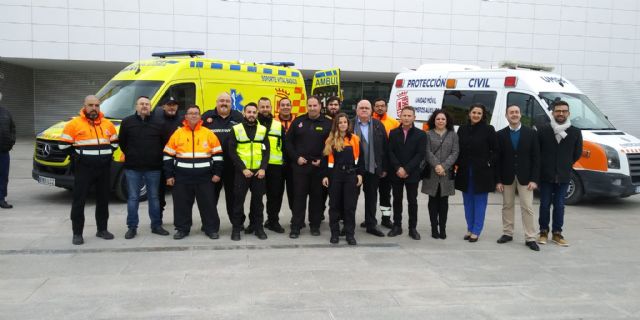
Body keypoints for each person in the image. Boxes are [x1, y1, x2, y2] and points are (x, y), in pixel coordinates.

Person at [59, 95, 119, 245]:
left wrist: (104, 157)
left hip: (104, 169)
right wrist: (78, 158)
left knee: (103, 200)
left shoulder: (108, 124)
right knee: (79, 201)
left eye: (97, 105)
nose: (94, 108)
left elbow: (115, 144)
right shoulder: (74, 124)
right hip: (83, 169)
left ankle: (102, 230)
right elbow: (63, 146)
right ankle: (77, 233)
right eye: (91, 105)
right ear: (84, 106)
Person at [164, 104, 223, 240]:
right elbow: (168, 155)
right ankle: (182, 229)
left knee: (208, 204)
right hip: (182, 177)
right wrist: (169, 175)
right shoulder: (177, 133)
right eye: (191, 113)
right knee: (181, 205)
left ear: (200, 116)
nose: (193, 115)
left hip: (205, 177)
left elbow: (218, 155)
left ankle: (211, 229)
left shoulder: (208, 133)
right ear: (185, 116)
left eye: (196, 113)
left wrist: (217, 173)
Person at [118, 96, 169, 239]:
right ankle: (132, 227)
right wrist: (131, 154)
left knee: (154, 197)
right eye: (142, 104)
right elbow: (122, 142)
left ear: (150, 107)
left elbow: (164, 143)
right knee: (133, 198)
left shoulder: (159, 123)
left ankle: (156, 225)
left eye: (147, 104)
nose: (144, 106)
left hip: (154, 168)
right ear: (136, 106)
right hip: (133, 168)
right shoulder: (127, 122)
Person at [537, 100, 582, 247]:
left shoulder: (575, 132)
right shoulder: (543, 130)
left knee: (560, 205)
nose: (561, 113)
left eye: (564, 111)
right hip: (546, 175)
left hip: (563, 175)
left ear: (568, 113)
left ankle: (557, 233)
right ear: (553, 113)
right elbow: (537, 152)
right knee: (544, 205)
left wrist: (564, 165)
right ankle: (543, 232)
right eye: (558, 111)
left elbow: (576, 153)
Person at [495, 104, 541, 251]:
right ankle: (507, 233)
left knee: (527, 207)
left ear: (520, 115)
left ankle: (530, 238)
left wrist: (534, 179)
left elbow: (536, 158)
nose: (514, 115)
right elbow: (498, 159)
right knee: (507, 206)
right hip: (507, 177)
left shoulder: (531, 133)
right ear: (506, 116)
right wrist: (498, 180)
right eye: (511, 112)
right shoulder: (500, 134)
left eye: (516, 112)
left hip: (526, 178)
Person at [285, 95, 332, 238]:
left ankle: (315, 225)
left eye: (315, 105)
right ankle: (296, 226)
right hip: (300, 167)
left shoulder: (328, 123)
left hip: (318, 168)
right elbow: (288, 142)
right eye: (309, 106)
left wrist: (322, 160)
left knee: (316, 199)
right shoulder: (298, 121)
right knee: (298, 198)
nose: (312, 108)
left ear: (320, 107)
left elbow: (332, 145)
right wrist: (296, 158)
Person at [455, 103, 499, 243]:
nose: (476, 115)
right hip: (465, 171)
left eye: (479, 113)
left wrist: (488, 163)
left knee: (480, 202)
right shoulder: (462, 129)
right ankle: (469, 228)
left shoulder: (488, 129)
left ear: (482, 115)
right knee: (468, 202)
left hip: (482, 172)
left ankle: (476, 230)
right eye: (474, 112)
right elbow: (458, 149)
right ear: (469, 114)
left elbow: (496, 150)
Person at [228, 102, 270, 241]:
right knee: (238, 202)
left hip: (259, 173)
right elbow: (232, 152)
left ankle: (259, 228)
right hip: (242, 172)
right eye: (249, 112)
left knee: (258, 202)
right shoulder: (236, 129)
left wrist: (263, 168)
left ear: (257, 114)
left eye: (254, 112)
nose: (251, 115)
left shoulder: (263, 130)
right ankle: (236, 229)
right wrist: (243, 169)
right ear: (244, 113)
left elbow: (266, 151)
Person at [202, 92, 243, 226]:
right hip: (212, 167)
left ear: (231, 103)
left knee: (234, 197)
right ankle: (209, 224)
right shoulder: (207, 116)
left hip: (233, 166)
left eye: (227, 101)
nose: (224, 103)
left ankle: (237, 223)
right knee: (210, 198)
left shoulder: (238, 117)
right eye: (221, 101)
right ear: (216, 102)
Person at [322, 113, 364, 245]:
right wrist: (325, 176)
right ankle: (334, 234)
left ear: (348, 124)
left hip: (351, 175)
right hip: (335, 176)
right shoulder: (330, 140)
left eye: (345, 122)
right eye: (340, 122)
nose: (343, 124)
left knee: (349, 207)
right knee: (334, 206)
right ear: (336, 125)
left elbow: (360, 159)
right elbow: (325, 160)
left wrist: (360, 174)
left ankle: (349, 234)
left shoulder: (355, 139)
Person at [387, 106, 427, 240]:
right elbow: (390, 152)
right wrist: (398, 168)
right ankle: (397, 226)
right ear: (400, 117)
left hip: (412, 174)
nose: (406, 118)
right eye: (404, 115)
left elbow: (420, 154)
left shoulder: (421, 134)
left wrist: (407, 169)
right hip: (396, 173)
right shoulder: (393, 133)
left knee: (412, 201)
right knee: (397, 200)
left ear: (414, 118)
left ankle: (412, 228)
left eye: (409, 116)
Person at [352, 99, 388, 237]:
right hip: (354, 169)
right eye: (361, 107)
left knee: (372, 198)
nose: (364, 110)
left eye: (367, 108)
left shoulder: (378, 125)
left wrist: (384, 167)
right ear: (357, 110)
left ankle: (370, 224)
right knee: (351, 199)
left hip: (373, 168)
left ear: (371, 110)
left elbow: (385, 147)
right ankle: (348, 224)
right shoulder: (349, 124)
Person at [421, 110, 459, 240]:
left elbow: (455, 152)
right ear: (434, 120)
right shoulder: (428, 134)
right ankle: (433, 228)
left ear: (447, 121)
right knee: (432, 201)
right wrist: (437, 165)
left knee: (444, 202)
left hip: (446, 173)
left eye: (443, 119)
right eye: (438, 119)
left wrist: (444, 166)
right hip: (432, 172)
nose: (440, 121)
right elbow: (427, 152)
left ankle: (442, 228)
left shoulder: (453, 135)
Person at [257, 97, 286, 233]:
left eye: (267, 107)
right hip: (257, 166)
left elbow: (285, 146)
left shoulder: (277, 125)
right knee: (257, 197)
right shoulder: (251, 124)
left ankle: (273, 221)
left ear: (271, 108)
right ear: (258, 108)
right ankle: (255, 223)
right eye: (262, 107)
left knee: (275, 196)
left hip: (275, 166)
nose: (265, 110)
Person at [373, 98, 399, 228]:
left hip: (387, 165)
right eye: (377, 106)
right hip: (372, 165)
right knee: (370, 194)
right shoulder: (368, 121)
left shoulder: (393, 123)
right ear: (374, 108)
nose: (380, 108)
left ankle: (386, 218)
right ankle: (369, 218)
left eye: (382, 106)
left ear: (386, 108)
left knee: (385, 194)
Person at [154, 97, 183, 214]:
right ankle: (158, 219)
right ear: (163, 107)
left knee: (180, 194)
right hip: (160, 162)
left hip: (179, 163)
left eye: (174, 104)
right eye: (169, 104)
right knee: (159, 193)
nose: (172, 107)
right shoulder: (156, 121)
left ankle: (180, 220)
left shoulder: (183, 122)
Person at [276, 98, 296, 215]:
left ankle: (296, 218)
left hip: (293, 163)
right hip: (277, 162)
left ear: (291, 106)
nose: (285, 107)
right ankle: (273, 220)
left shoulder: (297, 121)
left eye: (287, 105)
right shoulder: (273, 121)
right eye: (282, 105)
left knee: (294, 192)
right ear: (279, 107)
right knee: (276, 193)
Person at [0, 92, 16, 209]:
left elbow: (13, 128)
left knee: (3, 176)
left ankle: (1, 198)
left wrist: (12, 141)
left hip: (4, 151)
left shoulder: (6, 112)